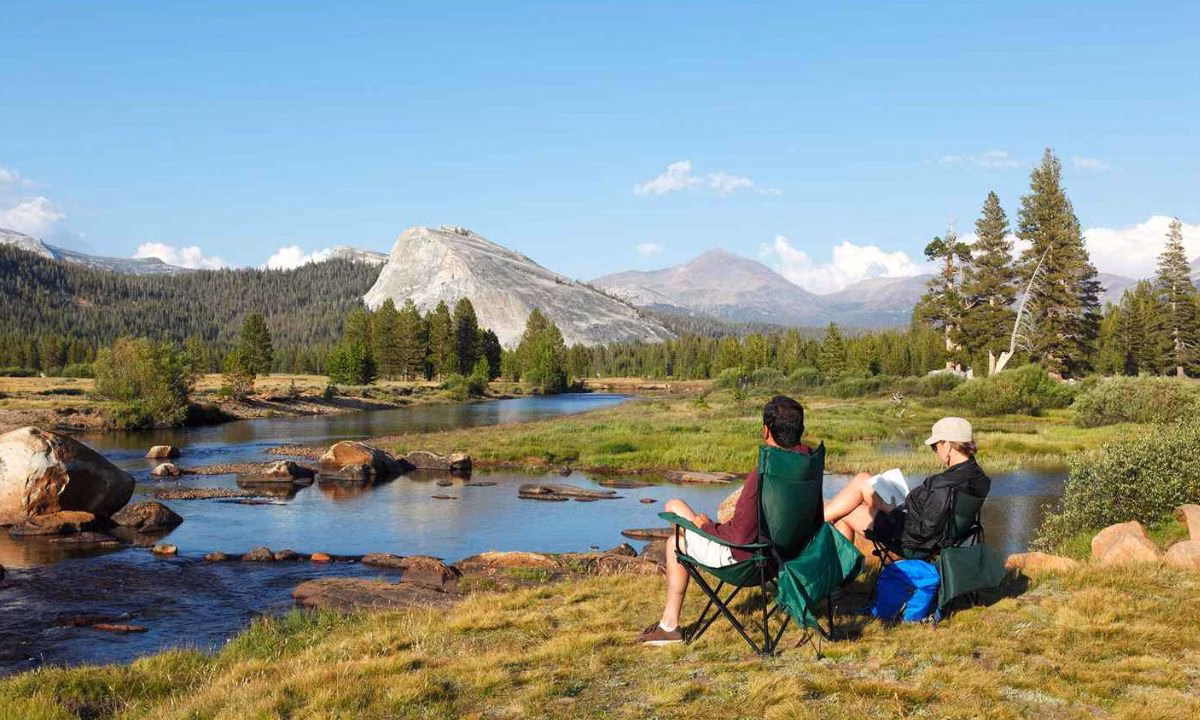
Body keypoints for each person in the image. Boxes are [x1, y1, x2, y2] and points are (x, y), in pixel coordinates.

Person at [638, 395, 813, 645]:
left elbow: (740, 536)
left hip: (750, 562)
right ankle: (667, 625)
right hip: (788, 556)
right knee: (675, 506)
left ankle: (669, 626)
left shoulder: (764, 472)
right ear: (800, 430)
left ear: (765, 431)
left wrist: (706, 527)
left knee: (674, 539)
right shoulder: (807, 463)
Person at [823, 417, 990, 557]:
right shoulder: (978, 476)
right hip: (936, 534)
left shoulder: (943, 485)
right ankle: (838, 580)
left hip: (912, 543)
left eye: (935, 446)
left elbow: (923, 533)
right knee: (863, 479)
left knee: (846, 512)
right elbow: (936, 516)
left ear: (947, 445)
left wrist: (892, 511)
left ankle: (812, 528)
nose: (935, 451)